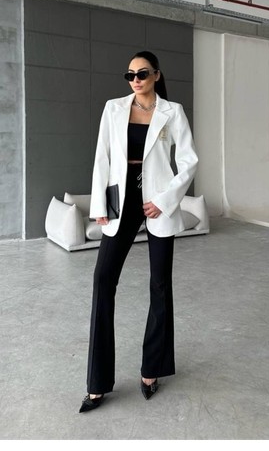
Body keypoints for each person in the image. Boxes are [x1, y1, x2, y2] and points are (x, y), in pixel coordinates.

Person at [79, 50, 198, 413]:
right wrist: (100, 206)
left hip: (156, 201)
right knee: (103, 281)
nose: (135, 80)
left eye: (142, 73)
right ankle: (97, 382)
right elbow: (102, 157)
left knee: (160, 285)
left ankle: (152, 369)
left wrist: (164, 199)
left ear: (156, 75)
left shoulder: (172, 111)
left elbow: (189, 161)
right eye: (130, 74)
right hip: (122, 199)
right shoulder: (113, 108)